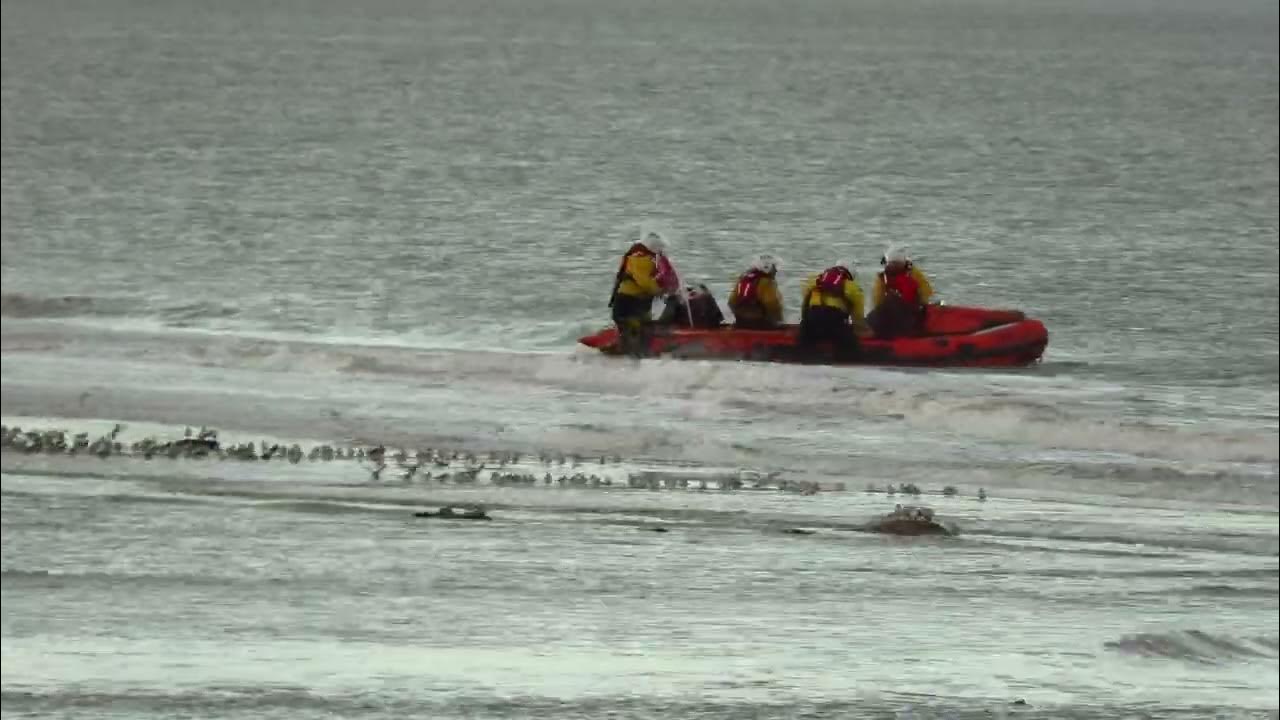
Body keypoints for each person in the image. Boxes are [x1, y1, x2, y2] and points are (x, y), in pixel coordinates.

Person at [607, 232, 677, 356]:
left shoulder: (641, 257)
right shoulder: (641, 258)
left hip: (634, 298)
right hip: (632, 299)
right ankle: (635, 346)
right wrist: (660, 290)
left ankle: (632, 346)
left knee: (633, 321)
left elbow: (648, 281)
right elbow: (645, 282)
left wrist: (662, 289)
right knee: (637, 322)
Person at [798, 260, 868, 360]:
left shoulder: (814, 280)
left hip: (812, 320)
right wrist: (860, 329)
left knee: (804, 339)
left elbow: (805, 303)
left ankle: (802, 356)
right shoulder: (853, 287)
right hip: (834, 323)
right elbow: (857, 316)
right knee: (852, 347)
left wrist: (804, 322)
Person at [868, 245, 934, 339]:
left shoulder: (883, 278)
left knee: (886, 304)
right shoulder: (912, 274)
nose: (894, 266)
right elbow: (927, 293)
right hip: (907, 316)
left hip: (906, 317)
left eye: (895, 263)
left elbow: (877, 300)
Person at [728, 254, 784, 329]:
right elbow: (772, 303)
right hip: (759, 323)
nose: (776, 270)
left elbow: (731, 301)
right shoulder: (767, 282)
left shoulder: (742, 280)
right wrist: (779, 320)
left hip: (740, 321)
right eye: (774, 268)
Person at [657, 283, 725, 329]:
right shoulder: (708, 297)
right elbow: (719, 319)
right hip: (708, 329)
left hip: (687, 331)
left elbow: (663, 322)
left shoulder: (675, 299)